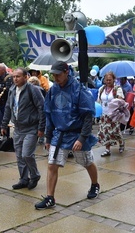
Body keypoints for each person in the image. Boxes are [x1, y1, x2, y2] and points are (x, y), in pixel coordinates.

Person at [35, 61, 100, 209]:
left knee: (87, 162)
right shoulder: (53, 90)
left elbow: (88, 116)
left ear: (66, 72)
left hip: (77, 134)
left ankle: (95, 184)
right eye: (54, 75)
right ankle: (50, 197)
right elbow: (48, 114)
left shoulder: (79, 89)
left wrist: (82, 138)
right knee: (52, 165)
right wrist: (48, 137)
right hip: (59, 134)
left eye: (58, 75)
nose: (56, 78)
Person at [1, 67, 45, 190]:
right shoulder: (12, 90)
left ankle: (35, 175)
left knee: (27, 154)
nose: (15, 79)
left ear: (25, 77)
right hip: (18, 128)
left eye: (18, 76)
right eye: (14, 76)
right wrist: (4, 125)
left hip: (31, 128)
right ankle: (24, 179)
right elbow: (8, 108)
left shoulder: (33, 90)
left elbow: (42, 108)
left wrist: (41, 127)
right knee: (19, 155)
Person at [97, 71, 125, 156]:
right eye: (106, 80)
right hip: (104, 114)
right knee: (105, 132)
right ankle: (107, 149)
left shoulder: (117, 89)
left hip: (113, 114)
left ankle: (121, 142)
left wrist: (117, 101)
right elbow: (98, 100)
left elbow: (120, 100)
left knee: (115, 131)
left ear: (114, 80)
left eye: (110, 80)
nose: (108, 81)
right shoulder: (101, 89)